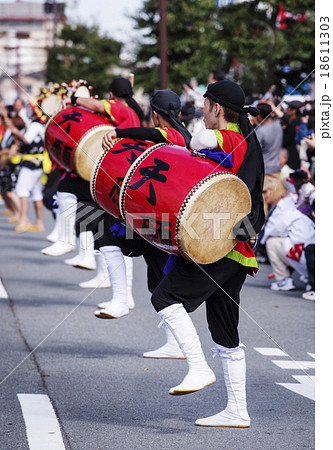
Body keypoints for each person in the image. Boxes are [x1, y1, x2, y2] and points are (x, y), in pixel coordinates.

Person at [148, 80, 264, 427]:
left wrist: (207, 126)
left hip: (221, 245)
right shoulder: (243, 137)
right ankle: (237, 411)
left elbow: (197, 139)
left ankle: (197, 366)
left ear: (216, 108)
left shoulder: (232, 136)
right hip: (236, 249)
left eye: (205, 105)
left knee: (165, 296)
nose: (201, 110)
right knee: (225, 331)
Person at [10, 111, 46, 232]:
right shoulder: (38, 125)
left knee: (22, 190)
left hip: (31, 163)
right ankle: (39, 222)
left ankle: (23, 220)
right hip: (36, 162)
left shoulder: (35, 125)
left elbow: (27, 140)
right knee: (36, 193)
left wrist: (16, 133)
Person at [255, 102, 283, 213]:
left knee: (263, 205)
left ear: (259, 116)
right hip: (276, 170)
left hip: (265, 172)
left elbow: (256, 153)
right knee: (276, 203)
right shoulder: (278, 126)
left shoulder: (260, 132)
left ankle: (263, 229)